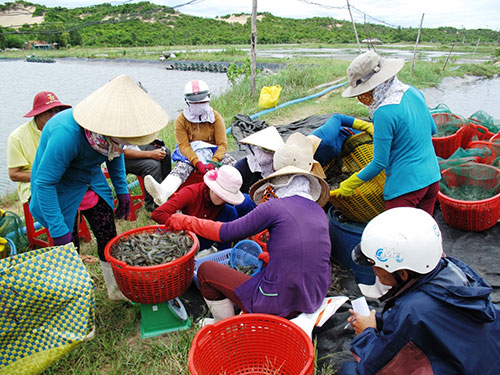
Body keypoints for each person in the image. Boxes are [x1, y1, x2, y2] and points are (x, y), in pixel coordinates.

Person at [165, 132, 331, 325]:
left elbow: (226, 232)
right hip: (313, 297)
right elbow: (306, 253)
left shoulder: (275, 207)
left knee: (206, 270)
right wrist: (274, 258)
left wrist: (185, 221)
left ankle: (225, 325)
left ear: (277, 178)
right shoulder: (318, 211)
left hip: (276, 303)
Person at [30, 75, 168, 300]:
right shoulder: (66, 135)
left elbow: (116, 153)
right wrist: (57, 229)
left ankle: (115, 290)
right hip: (60, 189)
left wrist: (122, 189)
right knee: (67, 248)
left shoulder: (110, 137)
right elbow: (44, 183)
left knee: (107, 235)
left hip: (90, 181)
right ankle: (74, 298)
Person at [341, 207, 500, 375]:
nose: (374, 270)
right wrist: (380, 322)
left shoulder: (413, 308)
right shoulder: (455, 272)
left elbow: (380, 366)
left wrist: (366, 333)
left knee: (349, 370)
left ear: (402, 273)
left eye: (375, 265)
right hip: (485, 359)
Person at [332, 51, 441, 216]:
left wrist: (349, 184)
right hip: (432, 178)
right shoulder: (413, 92)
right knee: (423, 233)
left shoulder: (383, 112)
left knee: (395, 237)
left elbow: (379, 163)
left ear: (374, 87)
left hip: (405, 187)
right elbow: (432, 129)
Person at [144, 79, 236, 206]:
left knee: (232, 165)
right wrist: (196, 162)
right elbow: (184, 146)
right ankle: (163, 192)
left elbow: (222, 144)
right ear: (187, 102)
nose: (199, 105)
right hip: (190, 154)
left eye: (202, 102)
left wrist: (214, 161)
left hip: (212, 152)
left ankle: (237, 192)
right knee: (181, 169)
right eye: (195, 103)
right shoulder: (181, 120)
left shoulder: (215, 117)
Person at [151, 165, 244, 251]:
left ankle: (222, 253)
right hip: (188, 236)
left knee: (231, 212)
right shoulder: (191, 193)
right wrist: (181, 224)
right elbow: (158, 213)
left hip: (207, 235)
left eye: (226, 197)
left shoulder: (224, 205)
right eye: (221, 194)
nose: (223, 199)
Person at [7, 91, 71, 204]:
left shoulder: (64, 130)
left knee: (94, 197)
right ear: (38, 114)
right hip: (34, 186)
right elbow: (14, 174)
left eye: (57, 111)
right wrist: (48, 175)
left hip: (65, 181)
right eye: (49, 111)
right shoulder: (17, 137)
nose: (54, 115)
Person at [308, 113, 373, 168]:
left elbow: (337, 117)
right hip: (343, 155)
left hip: (355, 138)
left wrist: (367, 126)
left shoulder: (326, 140)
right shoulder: (310, 166)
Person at [123, 139, 171, 212]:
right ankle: (152, 205)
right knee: (152, 165)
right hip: (118, 157)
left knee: (164, 152)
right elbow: (122, 152)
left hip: (134, 145)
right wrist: (151, 154)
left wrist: (150, 140)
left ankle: (165, 194)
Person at [233, 126, 284, 194]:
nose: (261, 153)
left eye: (268, 151)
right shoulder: (242, 167)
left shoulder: (280, 164)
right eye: (258, 148)